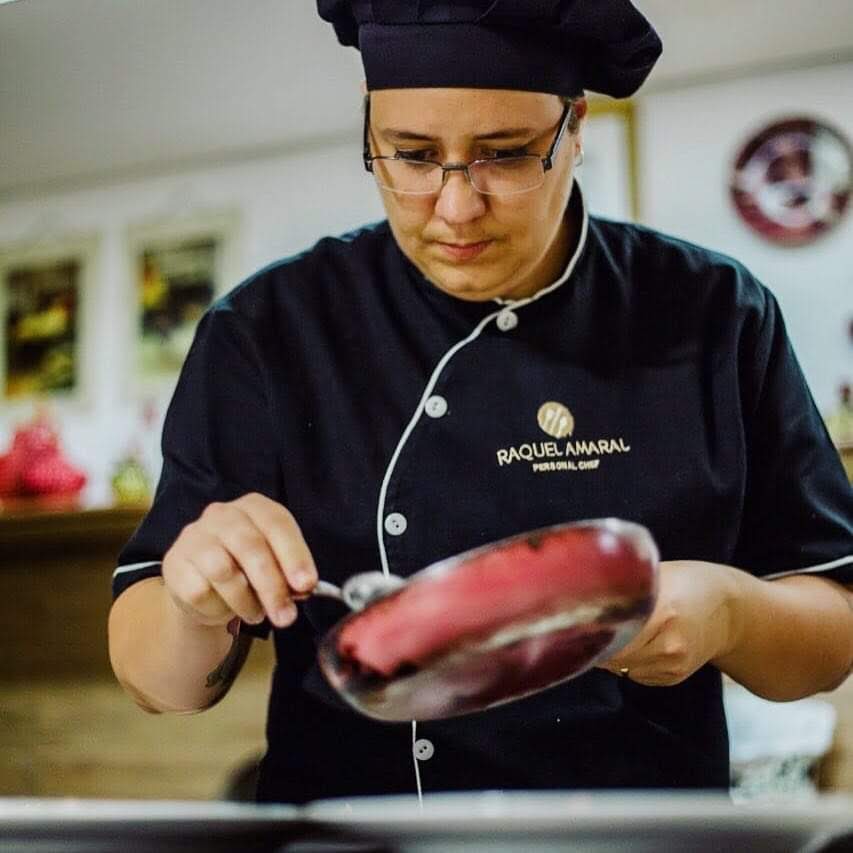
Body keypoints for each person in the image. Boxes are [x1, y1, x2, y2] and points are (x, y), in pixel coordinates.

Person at [108, 0, 853, 804]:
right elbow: (157, 682)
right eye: (411, 154)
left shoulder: (713, 313)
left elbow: (833, 622)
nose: (455, 207)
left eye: (503, 154)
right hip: (358, 832)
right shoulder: (268, 331)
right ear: (368, 125)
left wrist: (731, 612)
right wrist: (193, 601)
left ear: (574, 129)